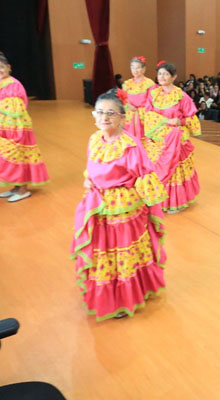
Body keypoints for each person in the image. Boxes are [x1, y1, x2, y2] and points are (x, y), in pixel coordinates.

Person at [71, 89, 167, 321]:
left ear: (123, 118)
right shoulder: (94, 139)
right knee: (103, 249)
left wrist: (146, 203)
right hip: (97, 204)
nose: (105, 118)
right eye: (100, 112)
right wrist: (88, 179)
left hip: (122, 207)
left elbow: (145, 176)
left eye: (111, 113)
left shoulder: (130, 145)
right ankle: (109, 293)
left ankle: (125, 297)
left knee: (122, 250)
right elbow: (92, 167)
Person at [0, 51, 49, 202]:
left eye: (1, 67)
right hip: (0, 128)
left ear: (8, 67)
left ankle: (23, 189)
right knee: (4, 157)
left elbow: (15, 107)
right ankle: (16, 186)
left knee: (17, 156)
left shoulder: (13, 84)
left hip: (15, 128)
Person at [143, 61, 201, 213]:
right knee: (157, 169)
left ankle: (176, 201)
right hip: (157, 139)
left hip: (175, 139)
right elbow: (148, 115)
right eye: (160, 73)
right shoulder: (153, 94)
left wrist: (180, 121)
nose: (161, 77)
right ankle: (159, 200)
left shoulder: (181, 96)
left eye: (165, 74)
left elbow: (191, 117)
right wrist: (166, 121)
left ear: (173, 76)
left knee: (175, 170)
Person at [121, 56, 157, 139]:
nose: (135, 70)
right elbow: (122, 99)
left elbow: (152, 102)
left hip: (144, 116)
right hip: (130, 114)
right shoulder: (127, 83)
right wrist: (128, 105)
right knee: (129, 139)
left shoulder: (149, 83)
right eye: (133, 67)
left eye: (138, 68)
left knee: (143, 139)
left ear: (144, 69)